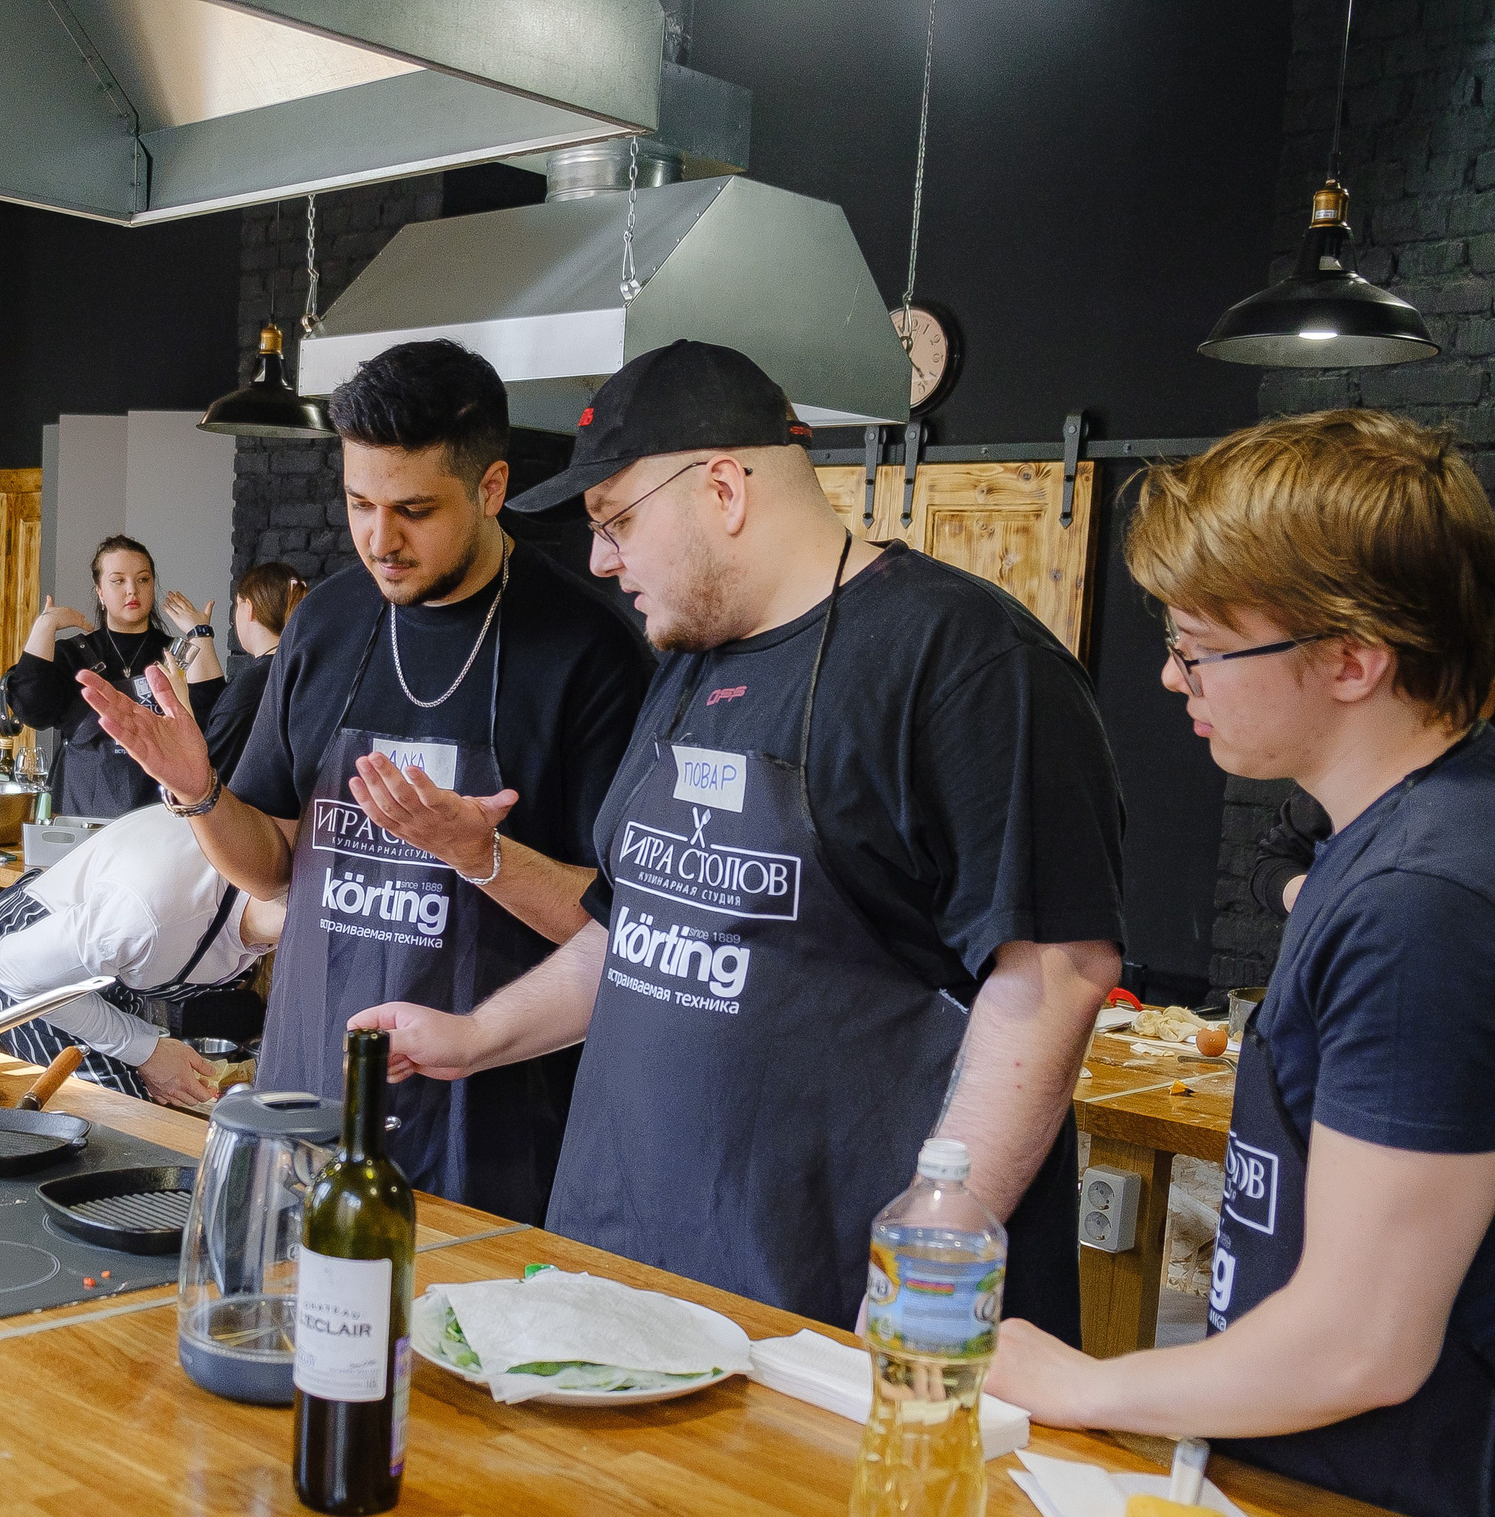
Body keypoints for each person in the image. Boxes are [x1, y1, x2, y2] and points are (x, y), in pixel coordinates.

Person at [343, 340, 1126, 1334]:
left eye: (615, 520)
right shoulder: (686, 663)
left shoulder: (965, 662)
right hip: (623, 1267)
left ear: (720, 489)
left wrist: (938, 1249)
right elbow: (641, 932)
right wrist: (473, 1037)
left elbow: (1056, 970)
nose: (599, 559)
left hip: (824, 1297)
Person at [986, 410, 1495, 1517]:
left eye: (1200, 647)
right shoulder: (1435, 825)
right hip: (1366, 1498)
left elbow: (1357, 1347)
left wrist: (1087, 1381)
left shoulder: (1432, 901)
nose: (1171, 677)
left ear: (1350, 658)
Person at [74, 339, 653, 1223]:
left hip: (491, 1133)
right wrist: (199, 793)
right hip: (309, 1098)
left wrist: (480, 854)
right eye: (358, 502)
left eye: (415, 509)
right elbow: (270, 868)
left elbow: (623, 924)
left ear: (492, 489)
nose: (380, 539)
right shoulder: (328, 624)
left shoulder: (588, 651)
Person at [1251, 582, 1495, 927]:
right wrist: (1320, 897)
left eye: (1459, 686)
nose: (1437, 704)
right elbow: (1275, 861)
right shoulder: (1377, 749)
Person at [0, 805, 282, 1106]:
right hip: (32, 958)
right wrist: (146, 1049)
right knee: (125, 1121)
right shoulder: (149, 914)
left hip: (108, 965)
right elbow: (13, 971)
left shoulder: (273, 894)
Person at [0, 536, 183, 818]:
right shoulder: (73, 654)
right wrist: (45, 627)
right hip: (82, 809)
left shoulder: (175, 654)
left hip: (159, 814)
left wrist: (201, 637)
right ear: (99, 591)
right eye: (118, 581)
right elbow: (33, 713)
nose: (132, 590)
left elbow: (210, 729)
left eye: (143, 580)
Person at [163, 561, 309, 779]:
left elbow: (206, 771)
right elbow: (216, 713)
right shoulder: (294, 670)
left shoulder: (255, 683)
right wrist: (199, 632)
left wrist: (178, 698)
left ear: (248, 609)